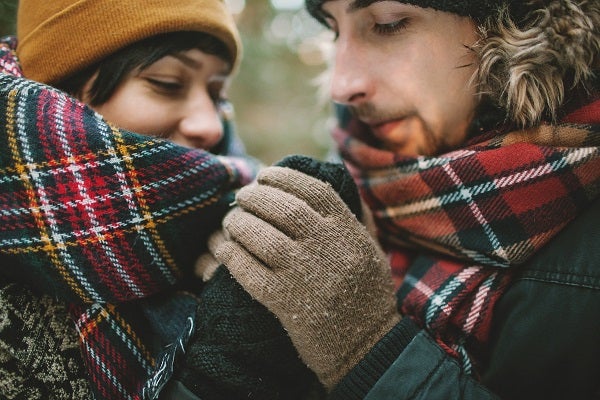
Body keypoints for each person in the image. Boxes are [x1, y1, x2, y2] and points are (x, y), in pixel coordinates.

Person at [213, 0, 600, 399]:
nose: (341, 86)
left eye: (387, 24)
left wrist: (367, 349)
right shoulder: (358, 184)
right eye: (333, 30)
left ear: (512, 24)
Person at [0, 0, 292, 398]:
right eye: (167, 83)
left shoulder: (244, 219)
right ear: (61, 92)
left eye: (217, 93)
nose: (209, 124)